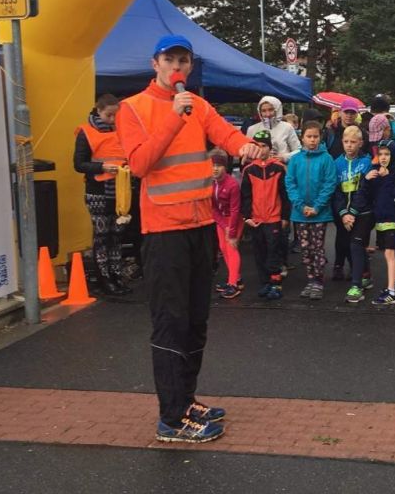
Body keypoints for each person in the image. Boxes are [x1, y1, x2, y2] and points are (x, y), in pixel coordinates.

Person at [116, 34, 263, 443]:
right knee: (171, 323)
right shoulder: (133, 108)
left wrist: (247, 147)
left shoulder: (198, 104)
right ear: (155, 64)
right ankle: (170, 418)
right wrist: (172, 117)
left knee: (197, 320)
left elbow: (225, 135)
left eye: (184, 60)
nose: (177, 66)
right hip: (163, 232)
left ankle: (186, 399)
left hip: (200, 226)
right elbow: (140, 164)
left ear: (190, 66)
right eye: (170, 59)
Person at [73, 93, 130, 297]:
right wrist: (101, 167)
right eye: (108, 115)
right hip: (98, 191)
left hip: (120, 191)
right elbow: (79, 164)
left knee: (117, 235)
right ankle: (104, 278)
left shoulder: (123, 131)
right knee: (102, 235)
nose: (112, 120)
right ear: (98, 111)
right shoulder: (86, 132)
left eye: (116, 115)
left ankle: (116, 274)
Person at [285, 121, 338, 300]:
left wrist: (317, 207)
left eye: (315, 136)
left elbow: (330, 183)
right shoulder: (295, 159)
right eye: (309, 136)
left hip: (319, 214)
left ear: (320, 137)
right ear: (302, 138)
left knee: (317, 248)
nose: (312, 140)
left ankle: (318, 281)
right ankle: (310, 279)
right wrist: (300, 206)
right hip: (300, 214)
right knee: (305, 249)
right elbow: (290, 183)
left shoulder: (326, 159)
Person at [241, 129, 290, 300]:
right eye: (258, 146)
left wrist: (285, 217)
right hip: (256, 219)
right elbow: (245, 196)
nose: (261, 149)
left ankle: (276, 283)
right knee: (259, 252)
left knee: (273, 251)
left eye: (264, 146)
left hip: (274, 218)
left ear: (270, 148)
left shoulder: (279, 168)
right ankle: (265, 283)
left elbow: (285, 194)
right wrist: (247, 217)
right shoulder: (249, 170)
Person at [359, 140, 395, 306]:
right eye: (380, 154)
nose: (383, 157)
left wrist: (386, 178)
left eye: (387, 154)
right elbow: (366, 196)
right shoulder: (375, 172)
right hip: (380, 218)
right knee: (388, 251)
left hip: (393, 218)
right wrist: (366, 179)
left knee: (389, 253)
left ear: (393, 155)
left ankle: (391, 292)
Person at [332, 126, 374, 297]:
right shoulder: (337, 163)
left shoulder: (367, 162)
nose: (349, 145)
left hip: (363, 212)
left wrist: (353, 211)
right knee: (351, 243)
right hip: (344, 214)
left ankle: (356, 285)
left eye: (353, 142)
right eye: (346, 142)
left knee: (356, 244)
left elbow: (365, 190)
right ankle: (365, 274)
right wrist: (343, 212)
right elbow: (336, 191)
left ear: (360, 143)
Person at [210, 149, 243, 300]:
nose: (215, 169)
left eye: (219, 165)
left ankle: (233, 284)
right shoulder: (211, 183)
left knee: (231, 247)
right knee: (223, 248)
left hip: (234, 219)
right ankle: (235, 278)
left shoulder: (232, 184)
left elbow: (235, 210)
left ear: (225, 167)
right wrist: (224, 225)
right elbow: (213, 209)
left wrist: (232, 231)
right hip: (222, 220)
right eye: (212, 165)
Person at [246, 96, 301, 163]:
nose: (268, 114)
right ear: (260, 112)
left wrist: (285, 157)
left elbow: (299, 150)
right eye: (264, 111)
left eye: (271, 109)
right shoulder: (252, 129)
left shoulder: (287, 127)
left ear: (277, 110)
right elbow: (247, 153)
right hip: (258, 168)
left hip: (283, 167)